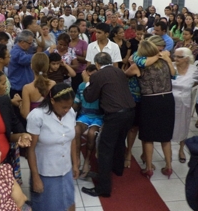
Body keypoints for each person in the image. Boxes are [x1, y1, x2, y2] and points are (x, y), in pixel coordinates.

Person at [81, 52, 135, 197]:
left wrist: (87, 81)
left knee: (105, 149)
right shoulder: (119, 71)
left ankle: (103, 188)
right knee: (119, 141)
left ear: (97, 64)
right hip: (130, 111)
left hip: (115, 114)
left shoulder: (98, 75)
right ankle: (117, 169)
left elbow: (90, 96)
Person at [124, 40, 175, 180]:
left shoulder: (138, 66)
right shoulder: (164, 62)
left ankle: (148, 168)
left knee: (148, 137)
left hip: (150, 100)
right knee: (166, 136)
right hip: (168, 99)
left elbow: (124, 76)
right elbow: (174, 75)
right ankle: (169, 167)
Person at [27, 83, 78, 211]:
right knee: (48, 206)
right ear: (53, 101)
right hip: (45, 172)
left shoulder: (70, 112)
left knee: (69, 202)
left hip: (65, 169)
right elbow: (31, 150)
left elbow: (71, 140)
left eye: (69, 106)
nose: (67, 110)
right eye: (63, 107)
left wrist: (75, 164)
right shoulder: (37, 116)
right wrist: (36, 177)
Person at [73, 64, 102, 179]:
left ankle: (87, 161)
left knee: (91, 134)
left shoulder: (101, 87)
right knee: (75, 130)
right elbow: (76, 103)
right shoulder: (81, 86)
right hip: (84, 116)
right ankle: (76, 160)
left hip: (98, 117)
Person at [172, 48, 198, 163]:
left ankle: (181, 149)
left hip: (184, 102)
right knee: (167, 126)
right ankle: (166, 150)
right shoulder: (171, 66)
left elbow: (197, 82)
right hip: (169, 101)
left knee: (183, 126)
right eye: (175, 56)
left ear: (187, 58)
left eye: (179, 57)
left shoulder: (194, 70)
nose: (176, 59)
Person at [21, 53, 56, 119]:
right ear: (47, 66)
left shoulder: (27, 88)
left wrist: (20, 105)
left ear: (31, 66)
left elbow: (26, 115)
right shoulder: (53, 84)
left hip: (35, 125)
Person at [69, 24, 88, 92]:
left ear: (78, 33)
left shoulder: (83, 43)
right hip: (69, 72)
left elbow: (85, 59)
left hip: (80, 72)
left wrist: (74, 56)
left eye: (75, 31)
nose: (73, 33)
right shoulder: (67, 43)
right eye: (71, 31)